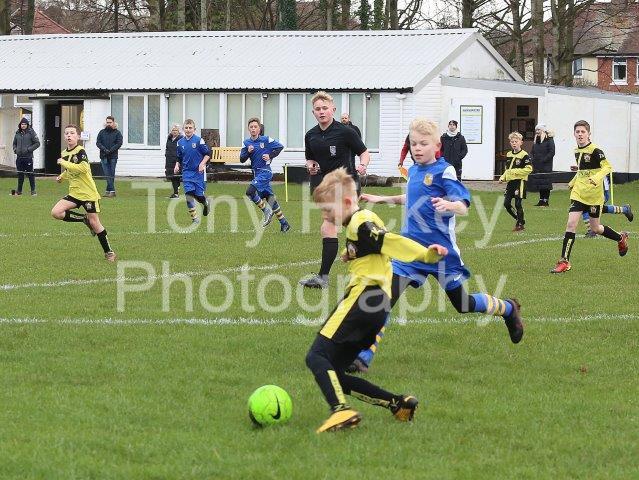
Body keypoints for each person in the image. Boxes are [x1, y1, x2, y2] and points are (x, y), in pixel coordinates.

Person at [350, 118, 523, 374]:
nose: (417, 148)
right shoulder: (413, 171)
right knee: (385, 298)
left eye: (423, 144)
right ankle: (364, 356)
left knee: (463, 304)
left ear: (437, 146)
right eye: (413, 144)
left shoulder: (445, 171)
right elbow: (411, 197)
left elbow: (463, 205)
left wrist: (449, 205)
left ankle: (508, 308)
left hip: (441, 254)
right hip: (410, 252)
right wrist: (380, 198)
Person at [306, 167, 448, 433]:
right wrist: (351, 254)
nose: (325, 216)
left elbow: (389, 242)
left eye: (327, 210)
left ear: (346, 202)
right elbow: (369, 246)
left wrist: (426, 255)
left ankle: (340, 410)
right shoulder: (361, 220)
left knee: (316, 356)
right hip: (378, 307)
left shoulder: (361, 222)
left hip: (363, 298)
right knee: (334, 372)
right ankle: (398, 404)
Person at [301, 91, 371, 289]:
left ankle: (323, 277)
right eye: (318, 109)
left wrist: (363, 165)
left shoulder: (346, 132)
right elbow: (310, 158)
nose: (321, 112)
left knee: (330, 226)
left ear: (333, 109)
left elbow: (364, 152)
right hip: (328, 186)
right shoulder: (311, 135)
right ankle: (381, 247)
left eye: (325, 108)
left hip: (348, 183)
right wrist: (310, 165)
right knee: (350, 226)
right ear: (313, 112)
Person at [550, 120, 629, 274]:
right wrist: (573, 182)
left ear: (588, 134)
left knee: (595, 228)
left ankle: (621, 238)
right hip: (579, 193)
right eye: (577, 132)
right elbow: (582, 171)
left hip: (594, 196)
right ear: (574, 134)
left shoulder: (596, 150)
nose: (580, 134)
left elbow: (607, 167)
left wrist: (596, 178)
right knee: (571, 224)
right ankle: (564, 261)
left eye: (583, 132)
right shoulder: (576, 151)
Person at [51, 124, 116, 262]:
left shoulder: (81, 151)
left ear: (78, 136)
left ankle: (109, 252)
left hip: (88, 194)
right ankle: (83, 219)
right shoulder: (64, 153)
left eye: (72, 133)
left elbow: (83, 168)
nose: (69, 135)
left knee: (95, 223)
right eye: (67, 133)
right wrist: (62, 176)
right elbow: (70, 170)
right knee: (56, 212)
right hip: (74, 193)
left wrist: (64, 163)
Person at [240, 117, 290, 232]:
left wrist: (270, 156)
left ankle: (267, 211)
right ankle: (284, 223)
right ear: (248, 129)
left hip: (265, 172)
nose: (253, 129)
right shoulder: (246, 143)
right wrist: (248, 152)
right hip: (256, 173)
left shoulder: (266, 140)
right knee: (269, 198)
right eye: (251, 127)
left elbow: (280, 147)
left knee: (250, 192)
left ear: (259, 129)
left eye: (255, 127)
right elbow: (242, 159)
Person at [175, 119, 211, 224]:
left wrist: (202, 164)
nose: (188, 130)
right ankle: (194, 218)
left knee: (199, 196)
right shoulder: (180, 143)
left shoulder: (199, 141)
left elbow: (207, 154)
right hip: (187, 172)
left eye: (190, 128)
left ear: (194, 129)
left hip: (199, 173)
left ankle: (206, 203)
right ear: (183, 129)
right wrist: (177, 165)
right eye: (186, 128)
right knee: (189, 194)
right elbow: (179, 157)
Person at [499, 132, 532, 232]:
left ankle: (520, 224)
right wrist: (503, 177)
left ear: (521, 142)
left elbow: (529, 169)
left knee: (518, 203)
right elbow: (507, 169)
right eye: (512, 142)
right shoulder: (509, 154)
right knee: (506, 204)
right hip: (511, 183)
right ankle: (519, 219)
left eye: (516, 141)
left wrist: (515, 172)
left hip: (520, 182)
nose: (514, 143)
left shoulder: (524, 155)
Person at [12, 117, 40, 196]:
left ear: (27, 125)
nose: (23, 125)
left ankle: (33, 191)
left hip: (28, 158)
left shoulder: (31, 132)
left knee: (30, 174)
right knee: (20, 175)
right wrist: (15, 150)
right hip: (19, 158)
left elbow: (37, 143)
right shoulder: (17, 133)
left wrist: (28, 149)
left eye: (24, 124)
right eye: (22, 124)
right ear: (20, 125)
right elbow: (14, 143)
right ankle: (19, 191)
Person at [95, 116, 123, 197]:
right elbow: (98, 143)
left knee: (111, 173)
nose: (109, 124)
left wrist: (110, 150)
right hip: (103, 156)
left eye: (110, 122)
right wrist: (104, 149)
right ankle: (111, 191)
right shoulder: (101, 132)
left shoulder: (117, 133)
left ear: (113, 123)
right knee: (107, 173)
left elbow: (119, 143)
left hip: (113, 156)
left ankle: (110, 191)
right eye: (107, 122)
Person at [529, 124, 555, 207]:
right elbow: (532, 152)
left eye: (539, 130)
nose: (537, 132)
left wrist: (544, 160)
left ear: (543, 130)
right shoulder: (536, 141)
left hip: (546, 166)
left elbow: (552, 152)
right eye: (536, 130)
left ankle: (545, 200)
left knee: (546, 184)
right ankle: (541, 200)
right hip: (537, 166)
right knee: (540, 183)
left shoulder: (549, 140)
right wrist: (532, 159)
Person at [340, 113, 362, 188]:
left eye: (345, 118)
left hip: (350, 151)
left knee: (351, 168)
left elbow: (358, 140)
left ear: (349, 119)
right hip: (340, 152)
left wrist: (357, 149)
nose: (344, 119)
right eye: (342, 118)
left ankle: (355, 186)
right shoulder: (338, 128)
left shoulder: (354, 128)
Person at [165, 124, 183, 199]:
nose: (174, 131)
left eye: (176, 130)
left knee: (176, 176)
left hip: (176, 161)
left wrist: (178, 161)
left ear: (179, 131)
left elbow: (181, 150)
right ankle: (175, 192)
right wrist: (166, 154)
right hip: (169, 160)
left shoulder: (181, 139)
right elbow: (167, 148)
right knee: (172, 177)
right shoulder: (169, 138)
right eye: (173, 130)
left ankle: (176, 193)